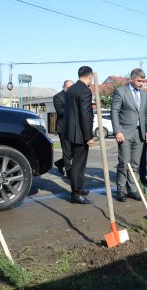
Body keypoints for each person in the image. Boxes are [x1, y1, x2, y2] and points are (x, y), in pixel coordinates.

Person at [111, 68, 147, 202]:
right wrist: (117, 131)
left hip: (140, 133)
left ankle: (133, 189)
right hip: (125, 133)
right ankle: (121, 190)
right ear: (132, 79)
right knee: (124, 162)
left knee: (135, 164)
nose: (142, 83)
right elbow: (115, 112)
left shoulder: (145, 95)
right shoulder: (120, 91)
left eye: (143, 81)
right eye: (139, 81)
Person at [63, 66, 94, 204]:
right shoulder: (84, 91)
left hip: (70, 132)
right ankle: (76, 193)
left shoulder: (71, 89)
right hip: (80, 134)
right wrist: (89, 136)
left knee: (77, 163)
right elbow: (85, 115)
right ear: (90, 77)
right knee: (78, 165)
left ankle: (79, 189)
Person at [53, 79, 73, 177]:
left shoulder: (74, 96)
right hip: (63, 128)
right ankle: (69, 172)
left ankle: (60, 163)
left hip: (73, 128)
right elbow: (60, 111)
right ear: (64, 87)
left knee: (74, 151)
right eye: (68, 87)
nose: (70, 89)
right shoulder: (57, 97)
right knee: (67, 150)